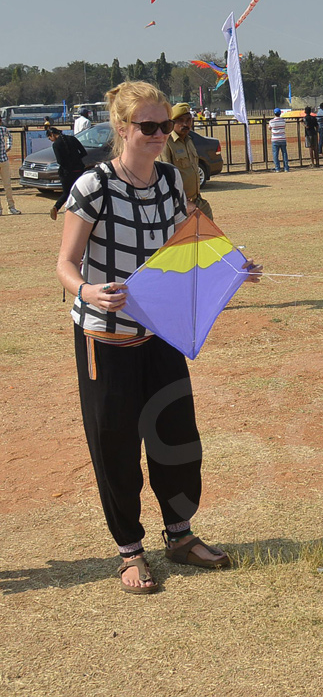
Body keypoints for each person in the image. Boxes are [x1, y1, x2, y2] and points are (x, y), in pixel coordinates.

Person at [55, 81, 261, 595]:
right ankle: (129, 551)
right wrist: (89, 291)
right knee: (116, 447)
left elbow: (187, 241)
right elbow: (65, 263)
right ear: (122, 129)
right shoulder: (92, 186)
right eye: (148, 127)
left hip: (162, 333)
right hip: (107, 340)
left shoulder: (170, 181)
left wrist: (233, 268)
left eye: (164, 125)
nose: (159, 135)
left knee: (177, 440)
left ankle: (181, 536)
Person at [158, 103, 213, 219]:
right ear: (172, 122)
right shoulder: (166, 143)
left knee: (210, 235)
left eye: (188, 120)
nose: (185, 124)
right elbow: (165, 178)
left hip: (197, 202)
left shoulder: (189, 140)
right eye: (180, 120)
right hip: (178, 206)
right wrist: (184, 202)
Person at [48, 127, 88, 220]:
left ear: (52, 135)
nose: (50, 140)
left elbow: (60, 161)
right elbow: (83, 152)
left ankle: (56, 207)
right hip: (78, 170)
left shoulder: (56, 145)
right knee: (79, 191)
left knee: (66, 193)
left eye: (49, 138)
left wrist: (68, 165)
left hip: (66, 172)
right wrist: (77, 159)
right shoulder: (72, 138)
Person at [0, 121, 21, 215]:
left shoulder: (3, 130)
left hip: (3, 160)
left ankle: (11, 207)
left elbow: (10, 136)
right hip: (4, 160)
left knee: (7, 185)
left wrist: (9, 146)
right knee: (7, 186)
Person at [268, 108, 290, 172]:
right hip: (282, 138)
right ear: (280, 113)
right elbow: (284, 127)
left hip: (275, 139)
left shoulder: (271, 121)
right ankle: (286, 168)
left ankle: (277, 168)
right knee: (284, 153)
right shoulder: (283, 121)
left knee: (275, 154)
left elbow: (269, 128)